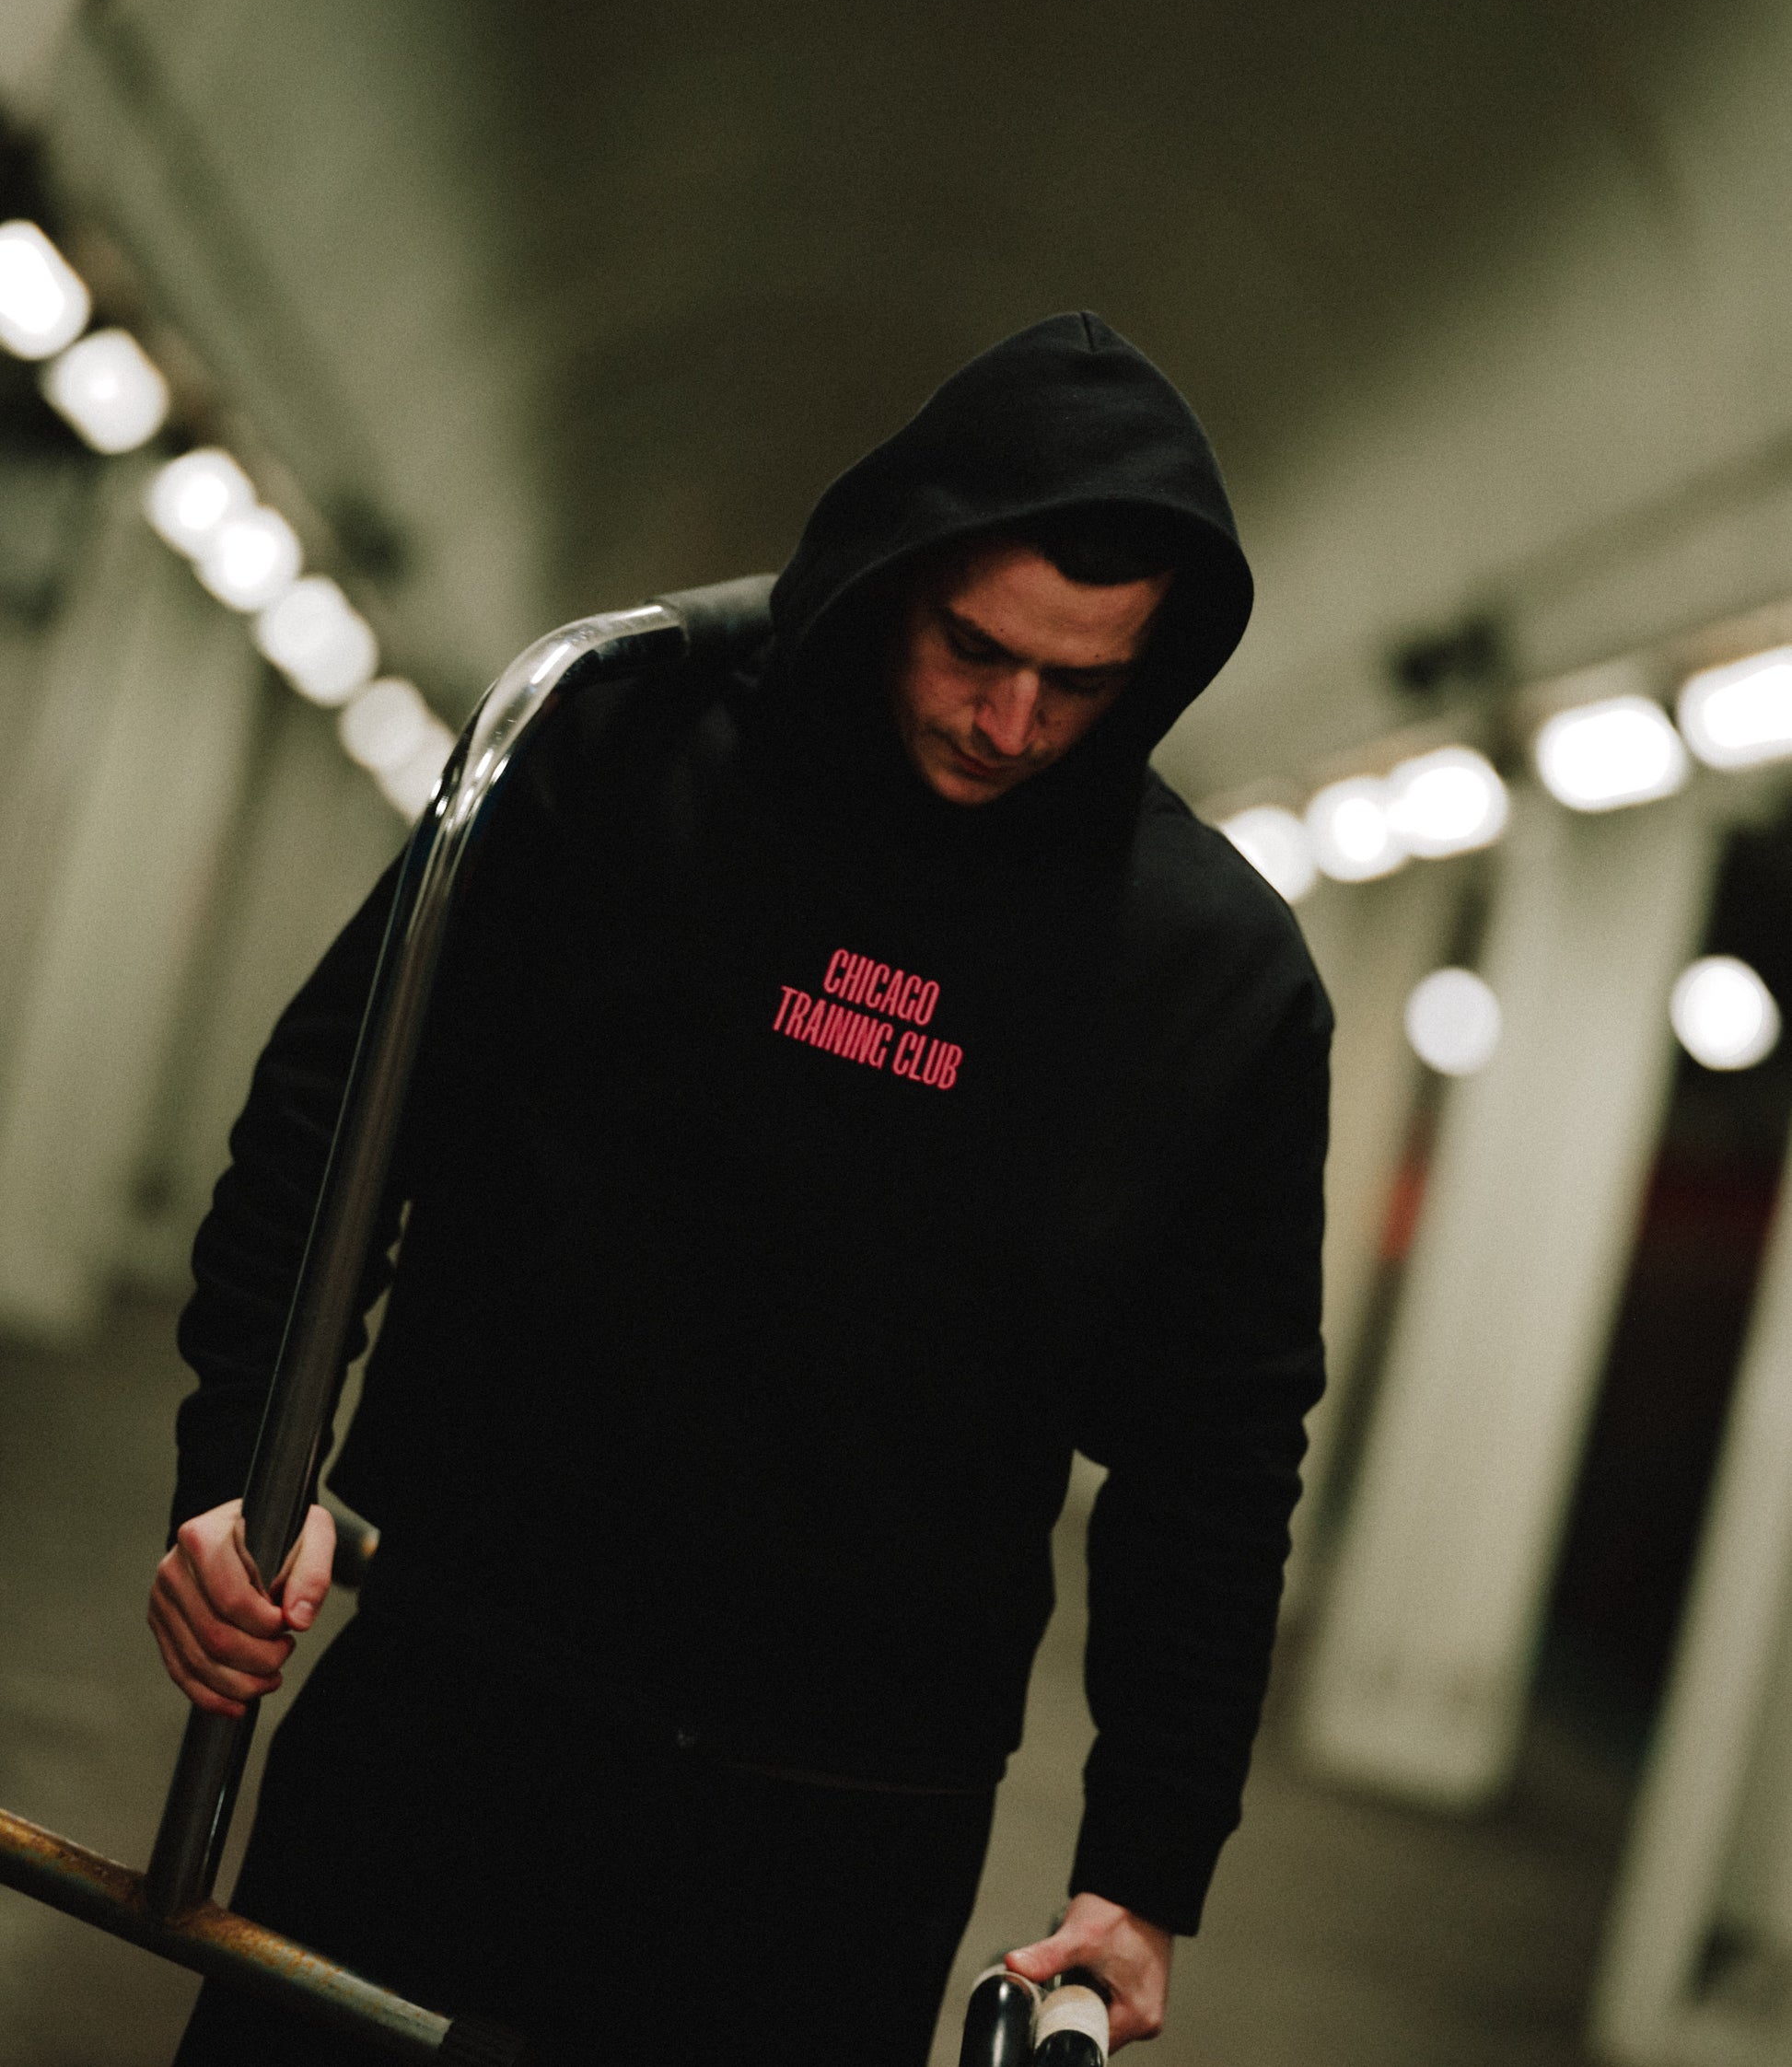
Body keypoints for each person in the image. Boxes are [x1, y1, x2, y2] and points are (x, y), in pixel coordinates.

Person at [150, 311, 1330, 2064]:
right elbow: (335, 1124)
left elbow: (1215, 1456)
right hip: (457, 1703)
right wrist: (248, 1478)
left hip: (839, 1826)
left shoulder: (1211, 976)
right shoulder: (614, 751)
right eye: (974, 648)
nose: (1012, 721)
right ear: (893, 573)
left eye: (1081, 684)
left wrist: (1145, 1867)